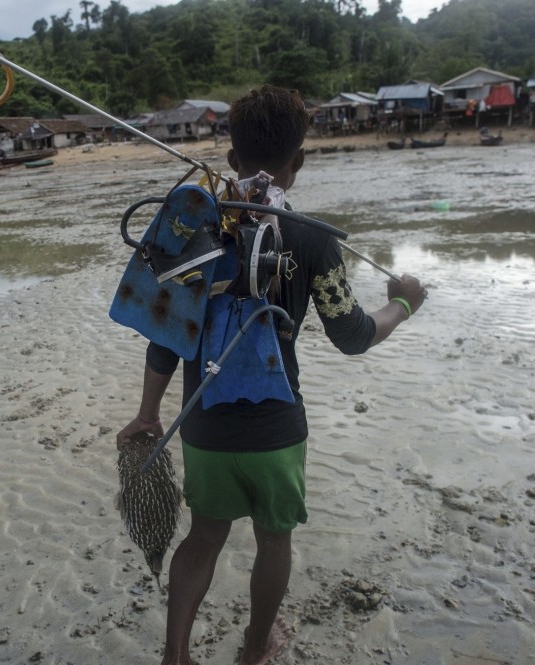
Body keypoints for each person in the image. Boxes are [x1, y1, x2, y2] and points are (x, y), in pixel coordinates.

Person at [115, 85, 427, 665]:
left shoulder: (198, 228)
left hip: (203, 424)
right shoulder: (312, 238)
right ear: (300, 161)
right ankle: (255, 650)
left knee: (204, 538)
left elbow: (165, 336)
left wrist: (147, 412)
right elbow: (353, 334)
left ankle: (175, 656)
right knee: (273, 542)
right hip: (278, 433)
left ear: (232, 161)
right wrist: (405, 304)